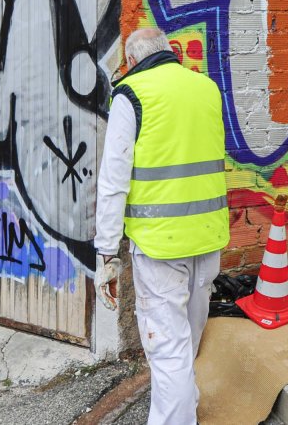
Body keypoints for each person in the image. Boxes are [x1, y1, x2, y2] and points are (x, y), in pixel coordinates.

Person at [94, 27, 229, 425]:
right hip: (207, 240)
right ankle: (185, 407)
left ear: (132, 61)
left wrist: (106, 252)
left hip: (160, 247)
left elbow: (113, 181)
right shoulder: (206, 88)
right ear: (169, 53)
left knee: (168, 350)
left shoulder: (132, 94)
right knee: (185, 343)